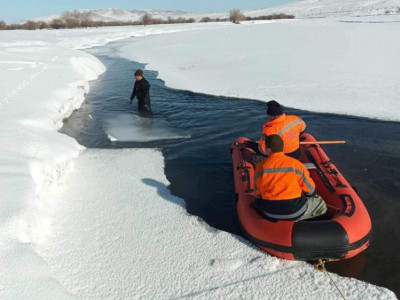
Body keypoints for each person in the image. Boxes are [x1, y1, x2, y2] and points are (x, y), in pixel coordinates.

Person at [252, 134, 327, 221]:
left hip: (270, 212)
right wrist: (311, 194)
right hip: (295, 210)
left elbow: (257, 194)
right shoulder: (296, 164)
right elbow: (310, 190)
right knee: (319, 202)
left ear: (268, 149)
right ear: (282, 147)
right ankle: (320, 221)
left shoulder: (260, 167)